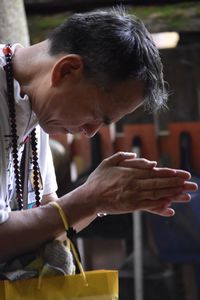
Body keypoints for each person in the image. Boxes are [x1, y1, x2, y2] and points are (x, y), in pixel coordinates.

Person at [0, 8, 197, 265]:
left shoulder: (37, 106)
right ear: (67, 70)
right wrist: (90, 198)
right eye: (94, 114)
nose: (90, 132)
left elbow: (47, 223)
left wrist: (102, 202)